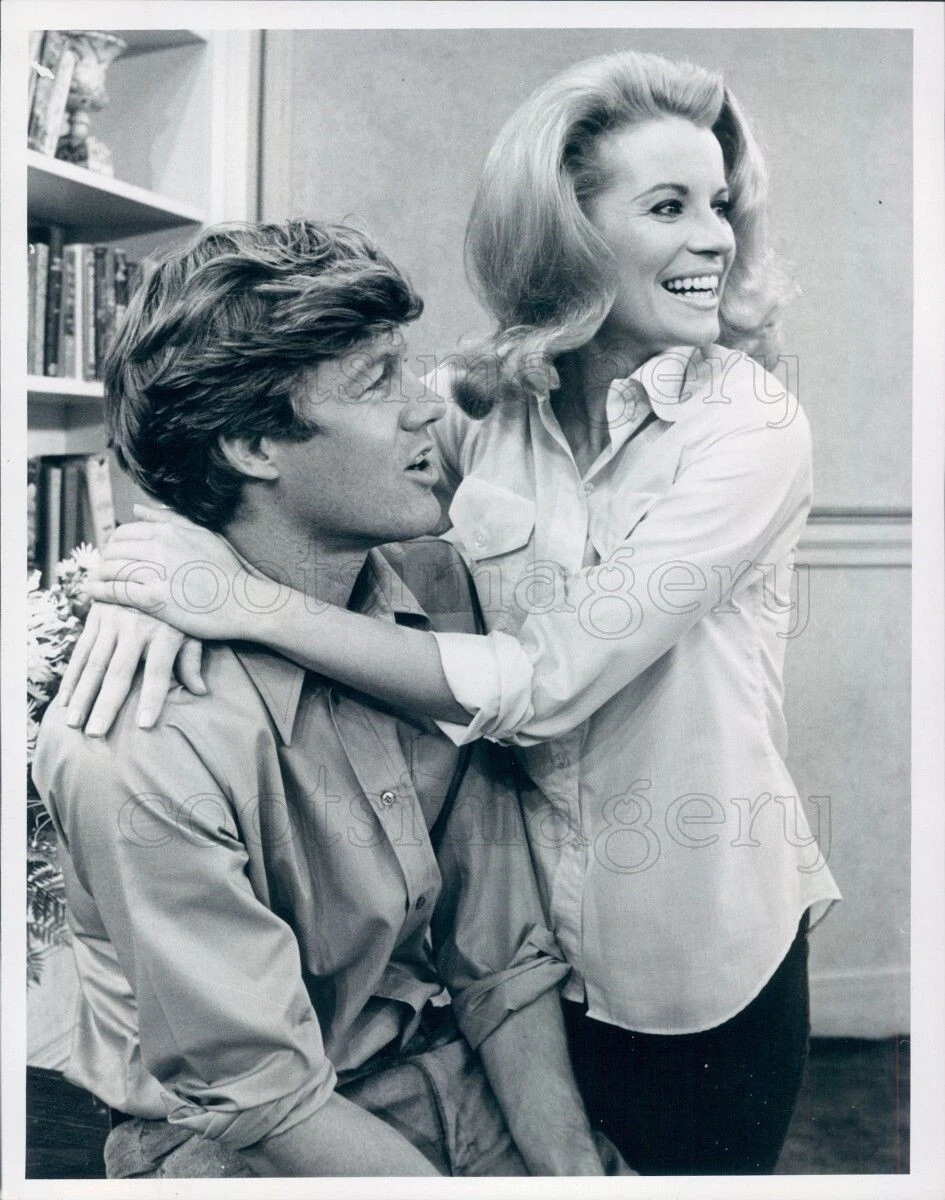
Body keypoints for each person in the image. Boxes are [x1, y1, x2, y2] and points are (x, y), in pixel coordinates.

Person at [64, 50, 841, 1174]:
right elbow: (234, 428)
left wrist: (239, 604)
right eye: (669, 206)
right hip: (522, 977)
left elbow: (542, 683)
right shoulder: (486, 407)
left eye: (719, 204)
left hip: (690, 945)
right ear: (565, 235)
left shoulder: (750, 424)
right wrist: (153, 571)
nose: (716, 238)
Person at [32, 219, 626, 1179]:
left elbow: (501, 959)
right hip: (248, 1143)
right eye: (377, 379)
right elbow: (267, 1096)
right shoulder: (137, 740)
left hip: (449, 1078)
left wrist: (574, 1177)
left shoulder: (435, 588)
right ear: (252, 443)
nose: (428, 408)